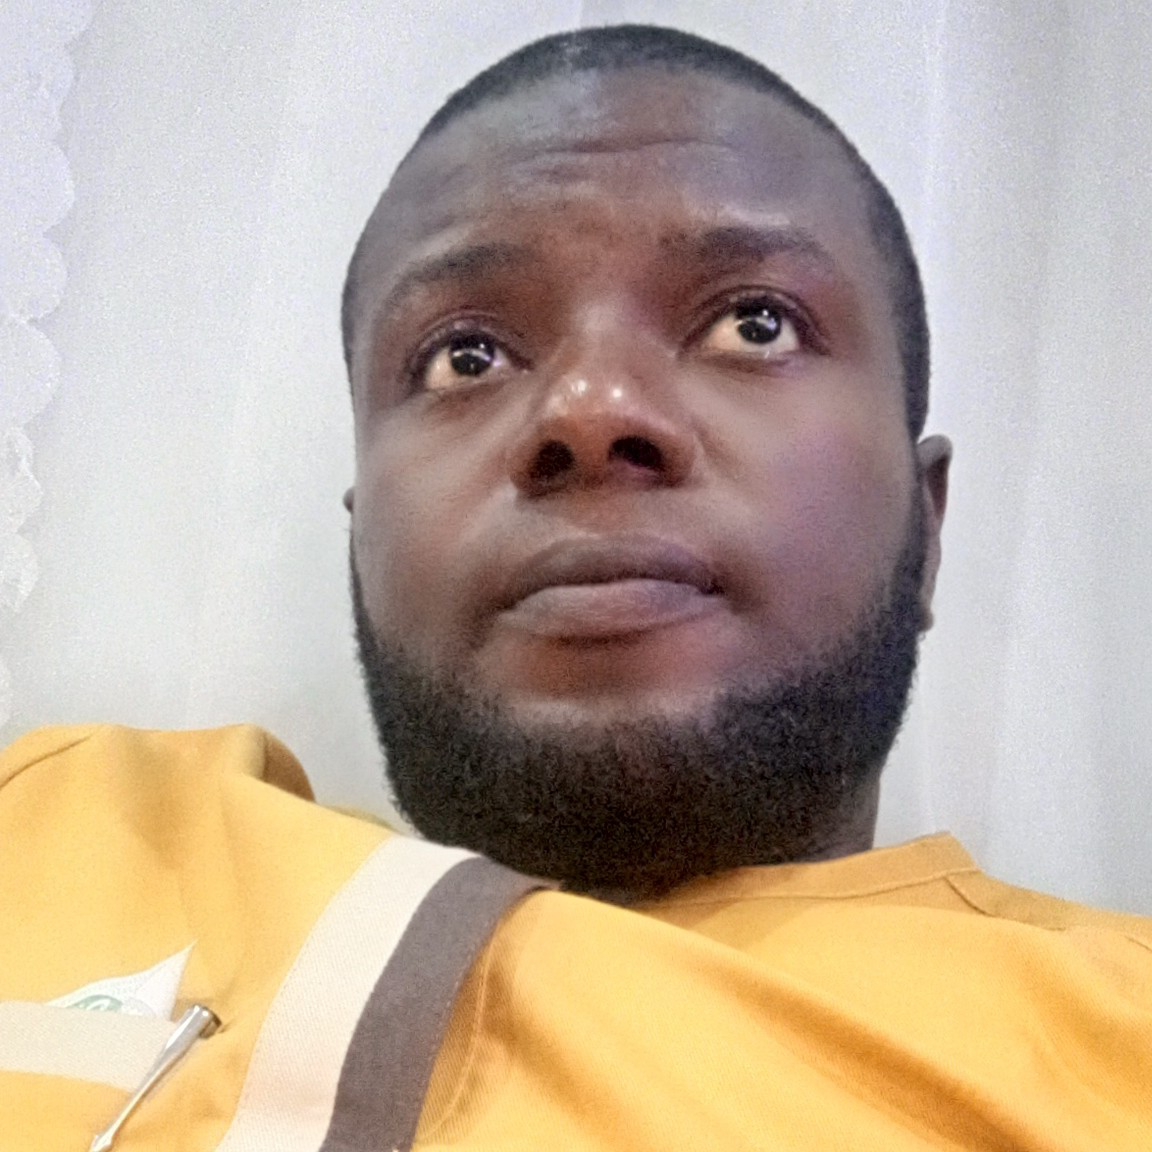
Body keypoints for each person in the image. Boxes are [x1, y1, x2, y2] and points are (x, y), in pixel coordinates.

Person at [3, 24, 1150, 1152]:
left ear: (927, 526)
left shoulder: (1118, 1046)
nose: (593, 412)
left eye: (755, 323)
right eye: (465, 356)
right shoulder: (66, 827)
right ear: (363, 545)